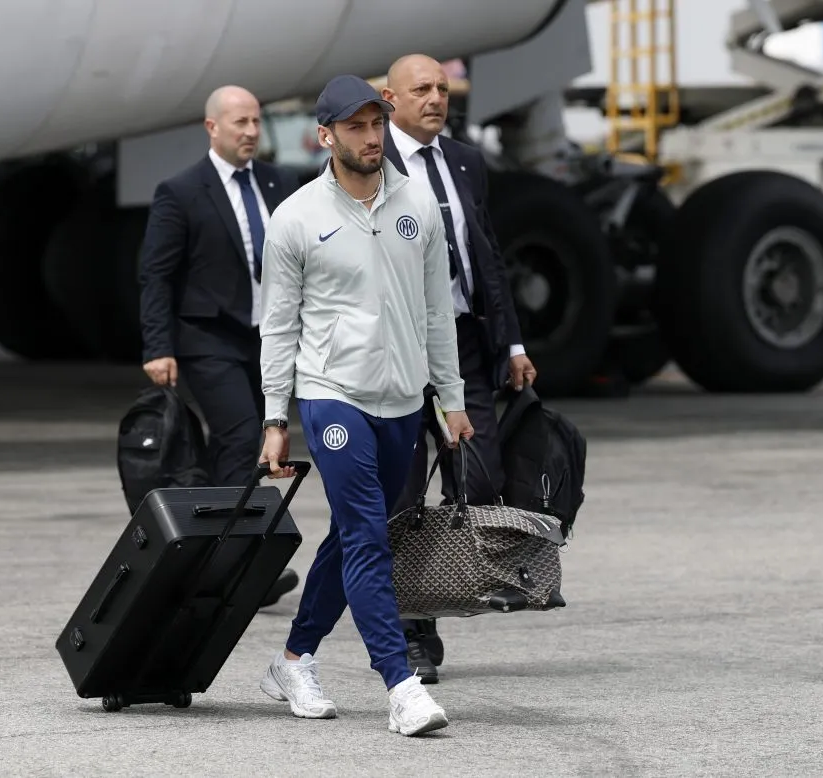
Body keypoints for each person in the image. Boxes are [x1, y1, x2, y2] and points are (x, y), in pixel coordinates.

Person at [255, 73, 474, 736]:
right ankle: (400, 686)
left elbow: (439, 310)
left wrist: (452, 397)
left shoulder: (419, 207)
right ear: (326, 135)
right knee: (369, 535)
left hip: (404, 398)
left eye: (377, 123)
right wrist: (275, 414)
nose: (372, 136)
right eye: (356, 126)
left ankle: (292, 659)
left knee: (354, 533)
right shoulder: (296, 218)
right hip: (332, 394)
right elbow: (278, 325)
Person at [380, 54, 540, 683]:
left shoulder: (466, 161)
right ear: (391, 100)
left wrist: (514, 343)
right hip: (397, 346)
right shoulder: (371, 162)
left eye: (443, 89)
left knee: (479, 475)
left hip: (465, 341)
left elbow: (488, 258)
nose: (436, 99)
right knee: (402, 490)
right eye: (422, 89)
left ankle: (455, 579)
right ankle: (414, 632)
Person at [137, 84, 300, 607]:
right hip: (207, 337)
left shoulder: (280, 182)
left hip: (266, 339)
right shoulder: (181, 191)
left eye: (256, 122)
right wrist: (158, 346)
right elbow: (156, 275)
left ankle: (205, 559)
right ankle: (240, 566)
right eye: (240, 124)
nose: (251, 132)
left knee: (235, 450)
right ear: (212, 128)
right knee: (242, 438)